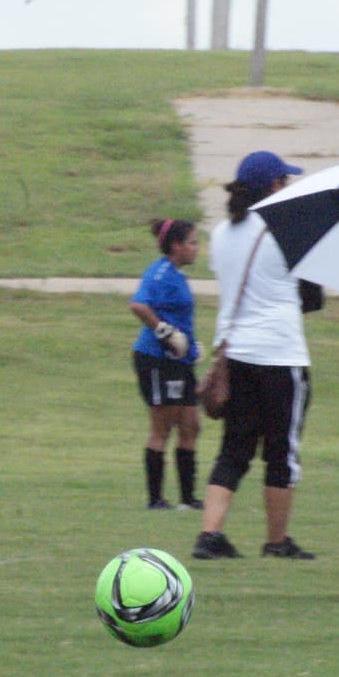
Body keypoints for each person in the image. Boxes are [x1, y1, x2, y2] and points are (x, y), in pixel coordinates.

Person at [192, 151, 323, 562]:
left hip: (237, 356)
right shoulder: (290, 228)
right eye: (284, 182)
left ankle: (210, 534)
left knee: (234, 448)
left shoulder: (221, 233)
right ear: (273, 187)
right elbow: (312, 298)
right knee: (281, 451)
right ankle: (277, 540)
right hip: (281, 354)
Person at [129, 218, 202, 511]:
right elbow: (138, 305)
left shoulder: (177, 275)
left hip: (179, 361)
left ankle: (187, 498)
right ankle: (155, 499)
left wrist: (192, 347)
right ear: (176, 245)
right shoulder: (158, 274)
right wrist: (165, 332)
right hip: (157, 360)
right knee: (162, 427)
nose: (197, 249)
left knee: (191, 425)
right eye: (193, 243)